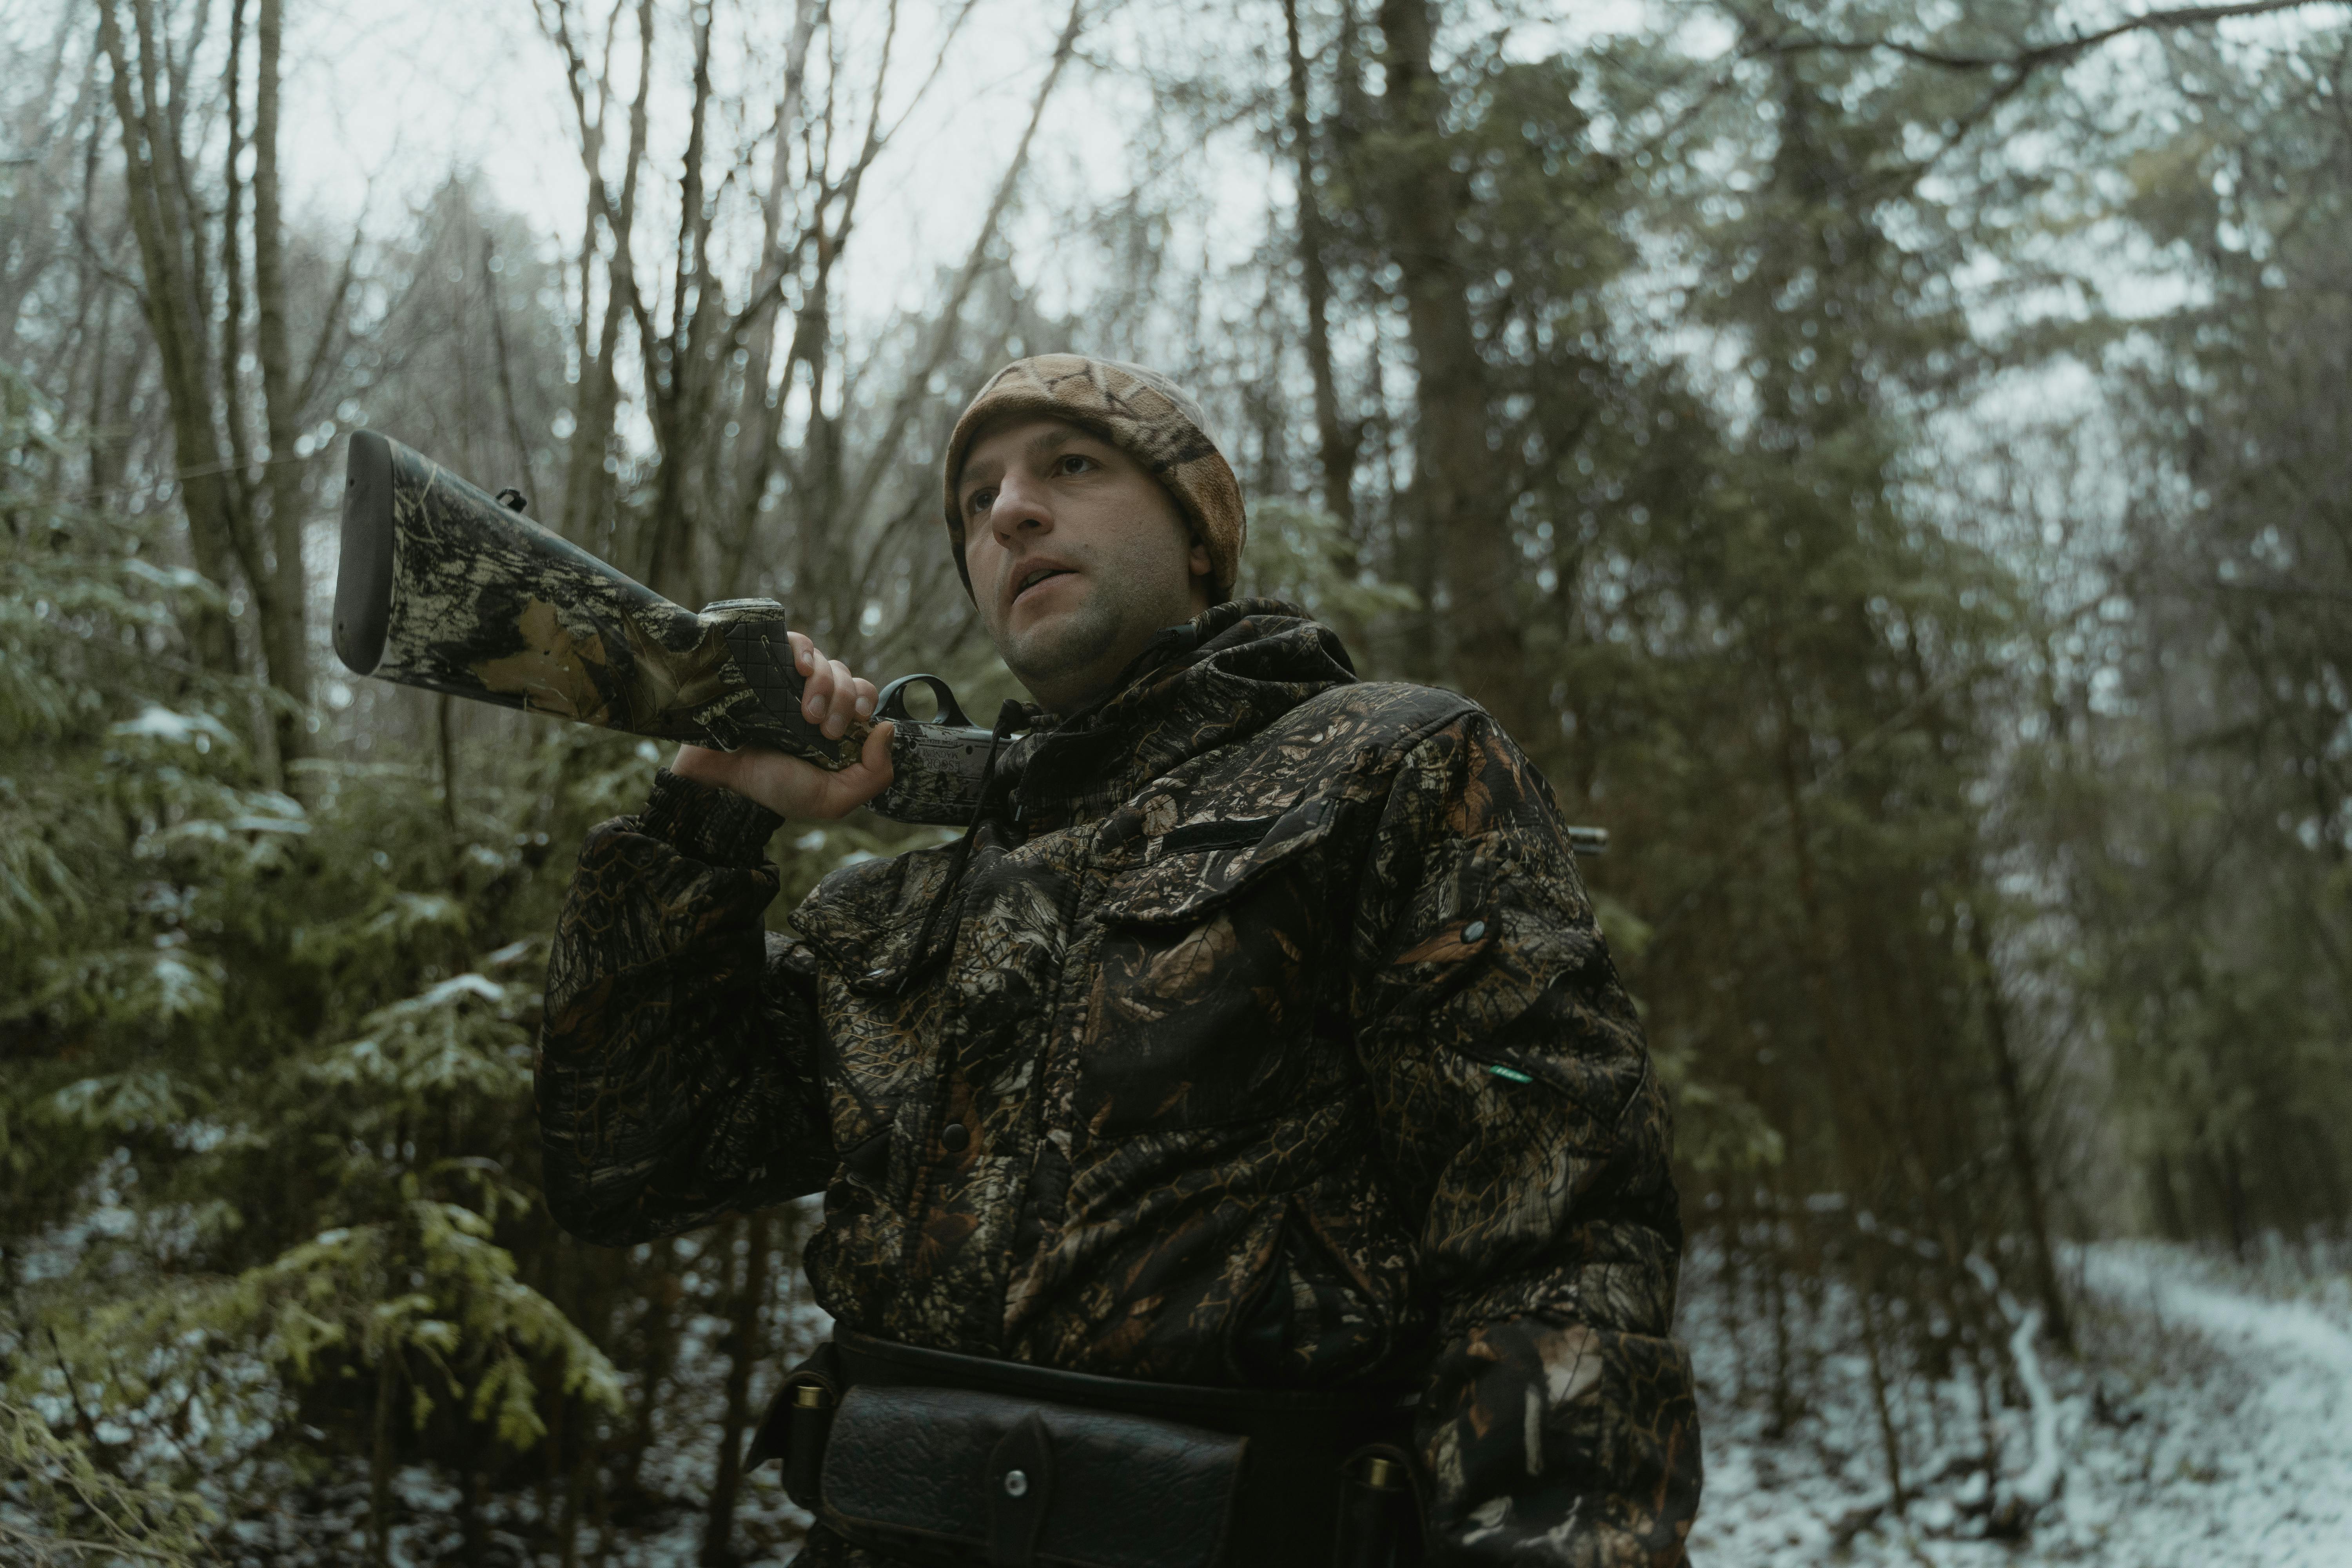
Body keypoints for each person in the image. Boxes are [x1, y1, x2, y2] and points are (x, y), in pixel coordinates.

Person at [535, 355, 1701, 1566]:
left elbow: (1558, 1239)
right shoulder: (901, 905)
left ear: (1199, 532)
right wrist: (706, 818)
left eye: (1071, 467)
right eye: (977, 500)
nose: (1010, 513)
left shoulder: (1392, 769)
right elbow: (627, 1167)